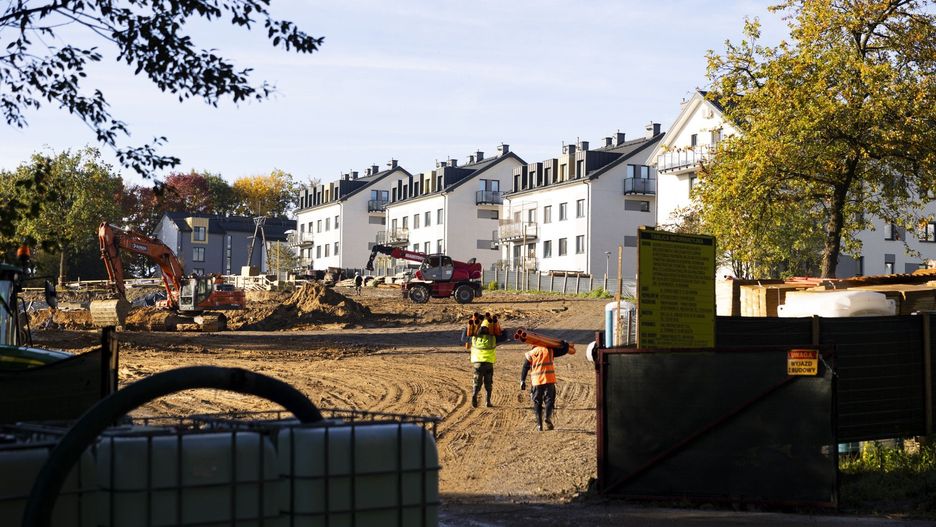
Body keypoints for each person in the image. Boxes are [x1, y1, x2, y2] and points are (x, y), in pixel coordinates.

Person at [519, 339, 571, 431]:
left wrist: (522, 380)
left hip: (536, 381)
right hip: (549, 379)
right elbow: (563, 351)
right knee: (549, 400)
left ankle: (539, 425)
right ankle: (547, 417)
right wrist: (565, 344)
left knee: (537, 402)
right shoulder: (550, 350)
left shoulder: (531, 353)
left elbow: (525, 367)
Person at [469, 319, 498, 408]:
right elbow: (505, 335)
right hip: (489, 364)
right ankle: (488, 401)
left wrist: (472, 327)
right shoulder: (493, 339)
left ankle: (474, 394)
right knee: (488, 383)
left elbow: (464, 336)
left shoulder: (474, 339)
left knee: (477, 381)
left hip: (478, 364)